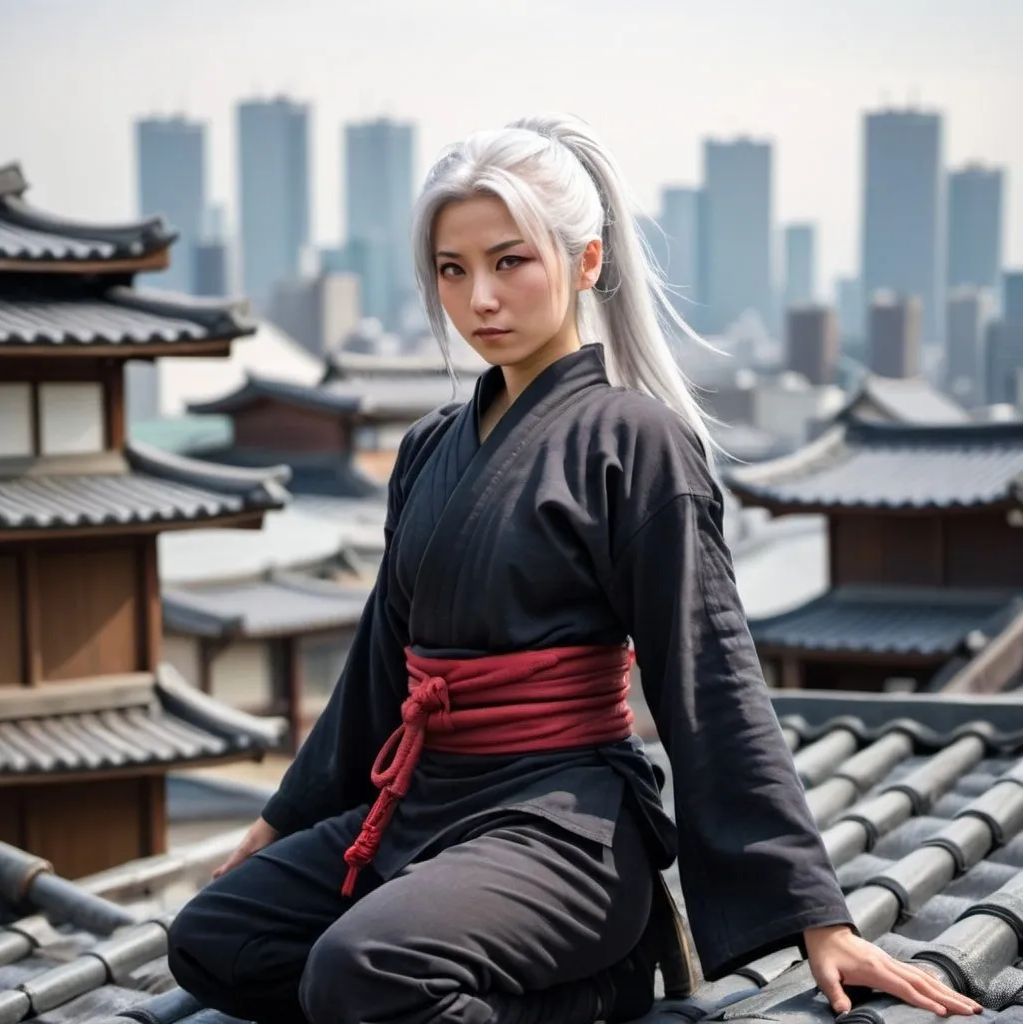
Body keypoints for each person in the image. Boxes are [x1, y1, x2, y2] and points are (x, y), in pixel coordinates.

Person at [167, 113, 981, 1024]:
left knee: (359, 971)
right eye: (452, 269)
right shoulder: (428, 448)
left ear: (586, 262)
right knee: (213, 937)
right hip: (426, 804)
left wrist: (816, 918)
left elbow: (708, 677)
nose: (480, 298)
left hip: (561, 824)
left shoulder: (638, 444)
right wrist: (278, 825)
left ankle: (598, 983)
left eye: (510, 261)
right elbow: (375, 673)